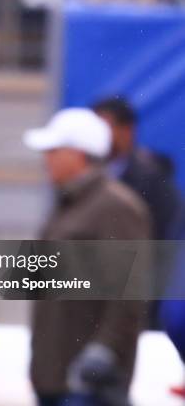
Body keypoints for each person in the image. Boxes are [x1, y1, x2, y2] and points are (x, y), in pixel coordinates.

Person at [23, 108, 150, 406]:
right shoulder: (69, 204)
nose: (46, 159)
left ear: (77, 154)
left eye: (53, 151)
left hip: (88, 384)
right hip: (55, 377)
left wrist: (103, 350)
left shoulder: (116, 207)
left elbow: (130, 294)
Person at [92, 97, 185, 240]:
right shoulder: (83, 176)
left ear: (127, 131)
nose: (96, 135)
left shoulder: (154, 178)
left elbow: (166, 237)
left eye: (104, 127)